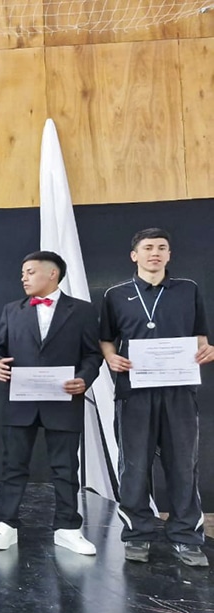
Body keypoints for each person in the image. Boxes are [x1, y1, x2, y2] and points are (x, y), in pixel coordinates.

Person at [100, 228, 213, 567]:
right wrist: (111, 358)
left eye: (162, 247)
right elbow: (106, 338)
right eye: (148, 247)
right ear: (134, 255)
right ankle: (137, 534)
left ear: (169, 255)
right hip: (134, 393)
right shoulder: (115, 294)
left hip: (179, 391)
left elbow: (200, 336)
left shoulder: (188, 289)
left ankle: (187, 537)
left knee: (183, 466)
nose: (155, 253)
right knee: (134, 466)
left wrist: (206, 350)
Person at [0, 251, 102, 555]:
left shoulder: (83, 311)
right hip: (20, 400)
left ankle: (68, 527)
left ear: (52, 273)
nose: (23, 278)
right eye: (23, 272)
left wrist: (84, 378)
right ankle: (6, 524)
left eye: (30, 272)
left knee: (66, 468)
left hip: (63, 399)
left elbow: (93, 354)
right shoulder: (12, 310)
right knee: (13, 466)